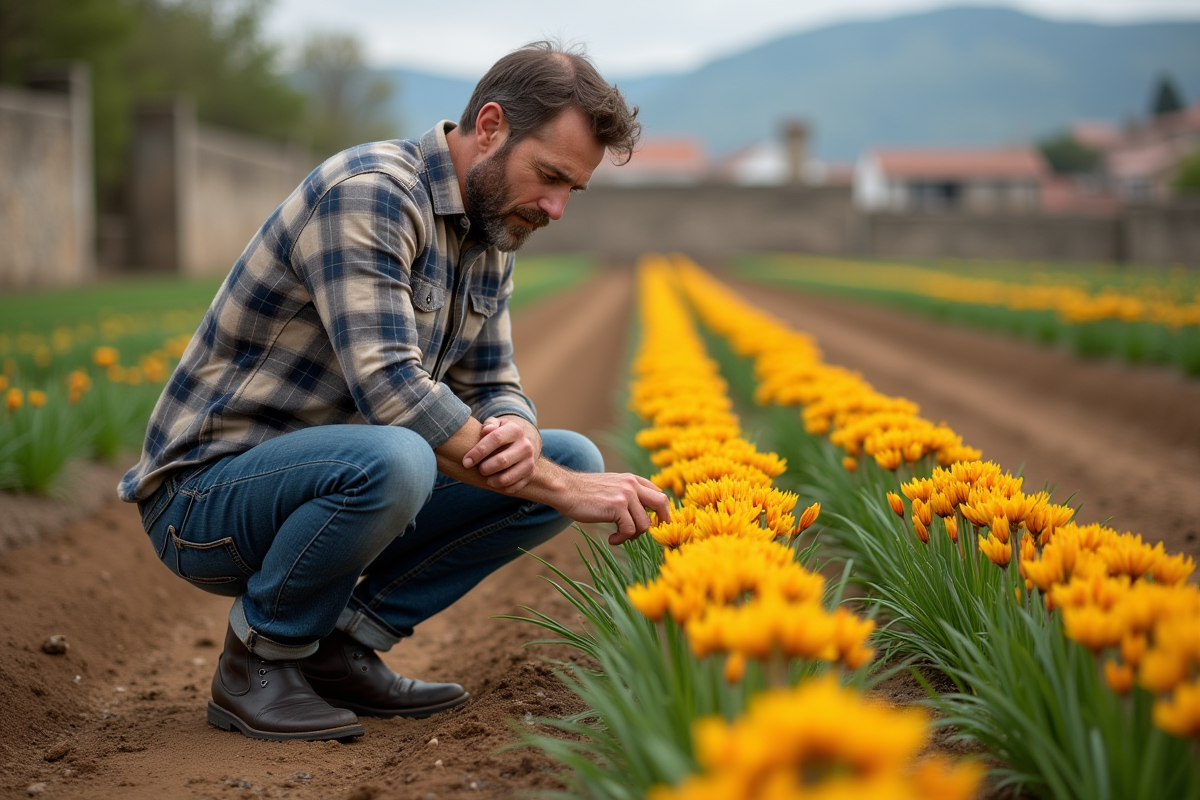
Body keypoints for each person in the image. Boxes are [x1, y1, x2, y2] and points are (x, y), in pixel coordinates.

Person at [118, 40, 670, 742]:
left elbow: (495, 380)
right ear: (491, 126)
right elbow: (393, 392)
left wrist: (519, 429)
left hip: (336, 478)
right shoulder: (373, 192)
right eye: (550, 176)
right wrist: (556, 489)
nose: (557, 208)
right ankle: (258, 660)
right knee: (410, 458)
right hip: (206, 497)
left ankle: (339, 648)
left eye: (573, 190)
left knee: (572, 454)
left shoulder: (492, 230)